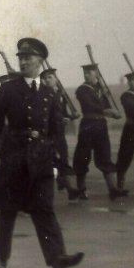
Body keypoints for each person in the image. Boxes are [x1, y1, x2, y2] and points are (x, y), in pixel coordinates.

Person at [0, 38, 84, 268]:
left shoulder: (50, 93)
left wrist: (57, 162)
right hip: (14, 157)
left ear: (40, 61)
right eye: (21, 57)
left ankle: (57, 258)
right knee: (9, 211)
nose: (23, 61)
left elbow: (56, 133)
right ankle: (2, 256)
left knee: (44, 209)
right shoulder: (8, 89)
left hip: (42, 160)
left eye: (28, 57)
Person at [72, 65, 127, 200]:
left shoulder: (102, 89)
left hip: (101, 126)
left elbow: (107, 106)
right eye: (85, 73)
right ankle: (81, 189)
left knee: (105, 156)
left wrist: (114, 113)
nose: (86, 75)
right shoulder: (82, 90)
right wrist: (107, 111)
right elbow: (90, 105)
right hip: (88, 126)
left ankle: (113, 189)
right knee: (83, 157)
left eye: (89, 73)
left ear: (96, 73)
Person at [40, 68, 81, 201]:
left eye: (50, 77)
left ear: (56, 79)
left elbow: (66, 113)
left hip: (59, 134)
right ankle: (65, 187)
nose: (47, 80)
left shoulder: (61, 94)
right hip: (47, 134)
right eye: (45, 78)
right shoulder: (41, 95)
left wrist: (68, 118)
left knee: (62, 160)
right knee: (48, 162)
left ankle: (70, 187)